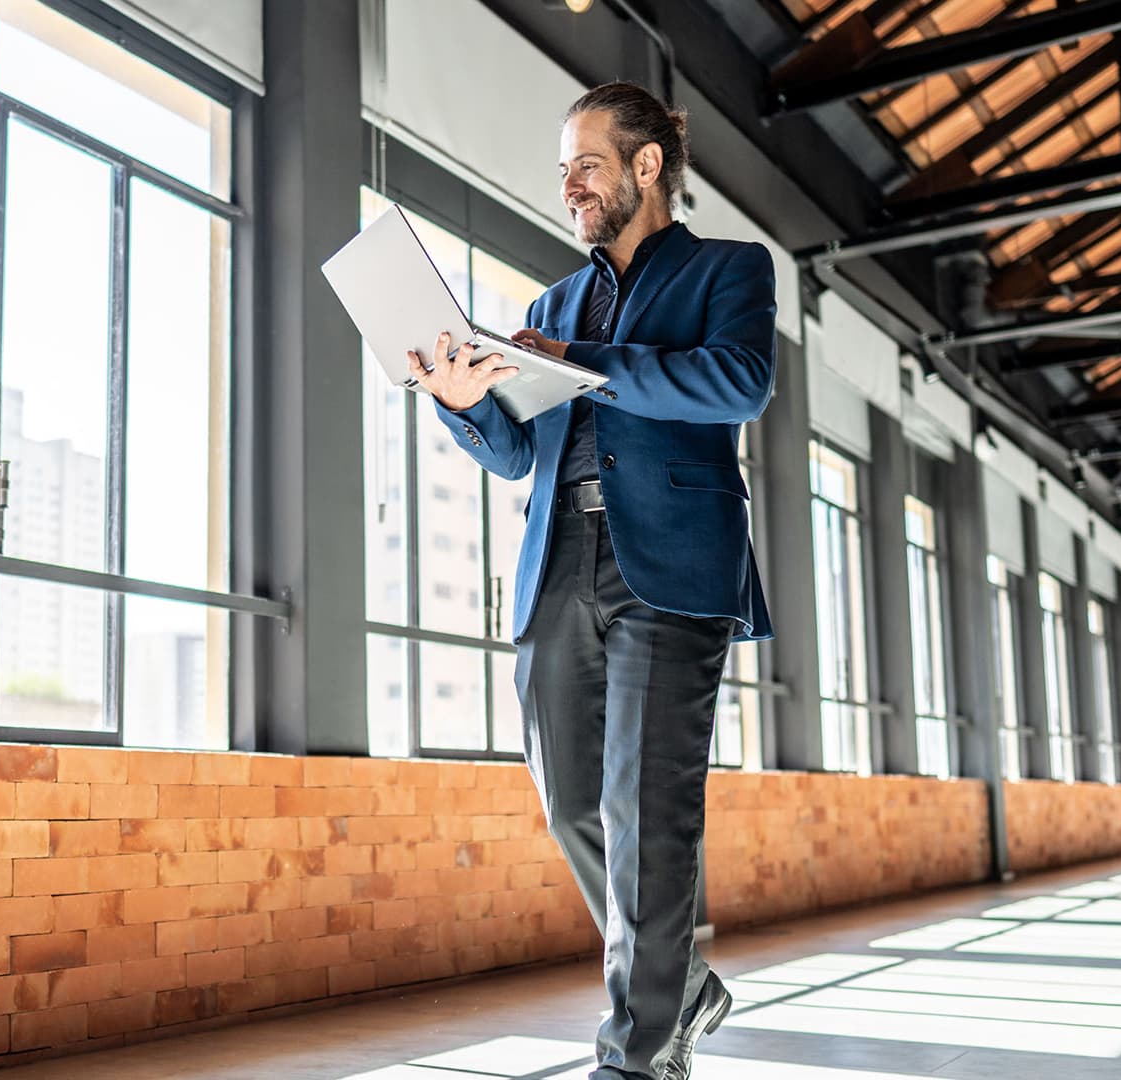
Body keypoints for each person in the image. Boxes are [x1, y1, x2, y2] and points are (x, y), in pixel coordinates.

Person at [405, 81, 777, 1080]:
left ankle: (637, 1056)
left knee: (647, 816)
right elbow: (521, 453)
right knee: (575, 801)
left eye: (586, 165)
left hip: (673, 571)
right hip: (558, 564)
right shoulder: (548, 308)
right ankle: (684, 989)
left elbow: (738, 381)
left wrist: (589, 359)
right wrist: (461, 403)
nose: (567, 185)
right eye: (563, 168)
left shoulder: (728, 271)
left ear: (645, 167)